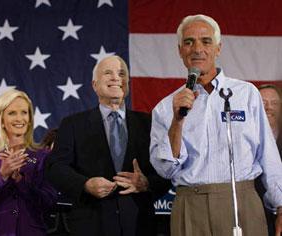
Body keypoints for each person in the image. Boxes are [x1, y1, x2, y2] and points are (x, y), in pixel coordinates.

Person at [150, 14, 282, 236]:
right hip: (190, 206)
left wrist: (280, 204)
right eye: (189, 42)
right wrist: (178, 120)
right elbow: (165, 169)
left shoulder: (246, 93)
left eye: (206, 41)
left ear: (218, 48)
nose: (197, 48)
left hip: (242, 201)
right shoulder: (165, 108)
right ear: (180, 50)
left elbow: (268, 155)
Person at [45, 55, 171, 236]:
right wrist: (85, 184)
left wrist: (147, 183)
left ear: (127, 83)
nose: (116, 78)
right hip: (91, 224)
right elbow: (55, 168)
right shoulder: (73, 124)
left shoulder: (149, 124)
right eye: (108, 73)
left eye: (122, 73)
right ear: (94, 85)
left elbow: (168, 170)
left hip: (139, 224)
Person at [0, 89, 56, 236]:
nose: (20, 118)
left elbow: (49, 203)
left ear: (30, 118)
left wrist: (21, 182)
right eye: (12, 113)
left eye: (24, 112)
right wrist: (2, 175)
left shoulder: (43, 156)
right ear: (1, 120)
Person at [256, 84, 282, 235]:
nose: (268, 107)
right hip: (256, 215)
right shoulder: (246, 140)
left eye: (274, 103)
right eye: (263, 102)